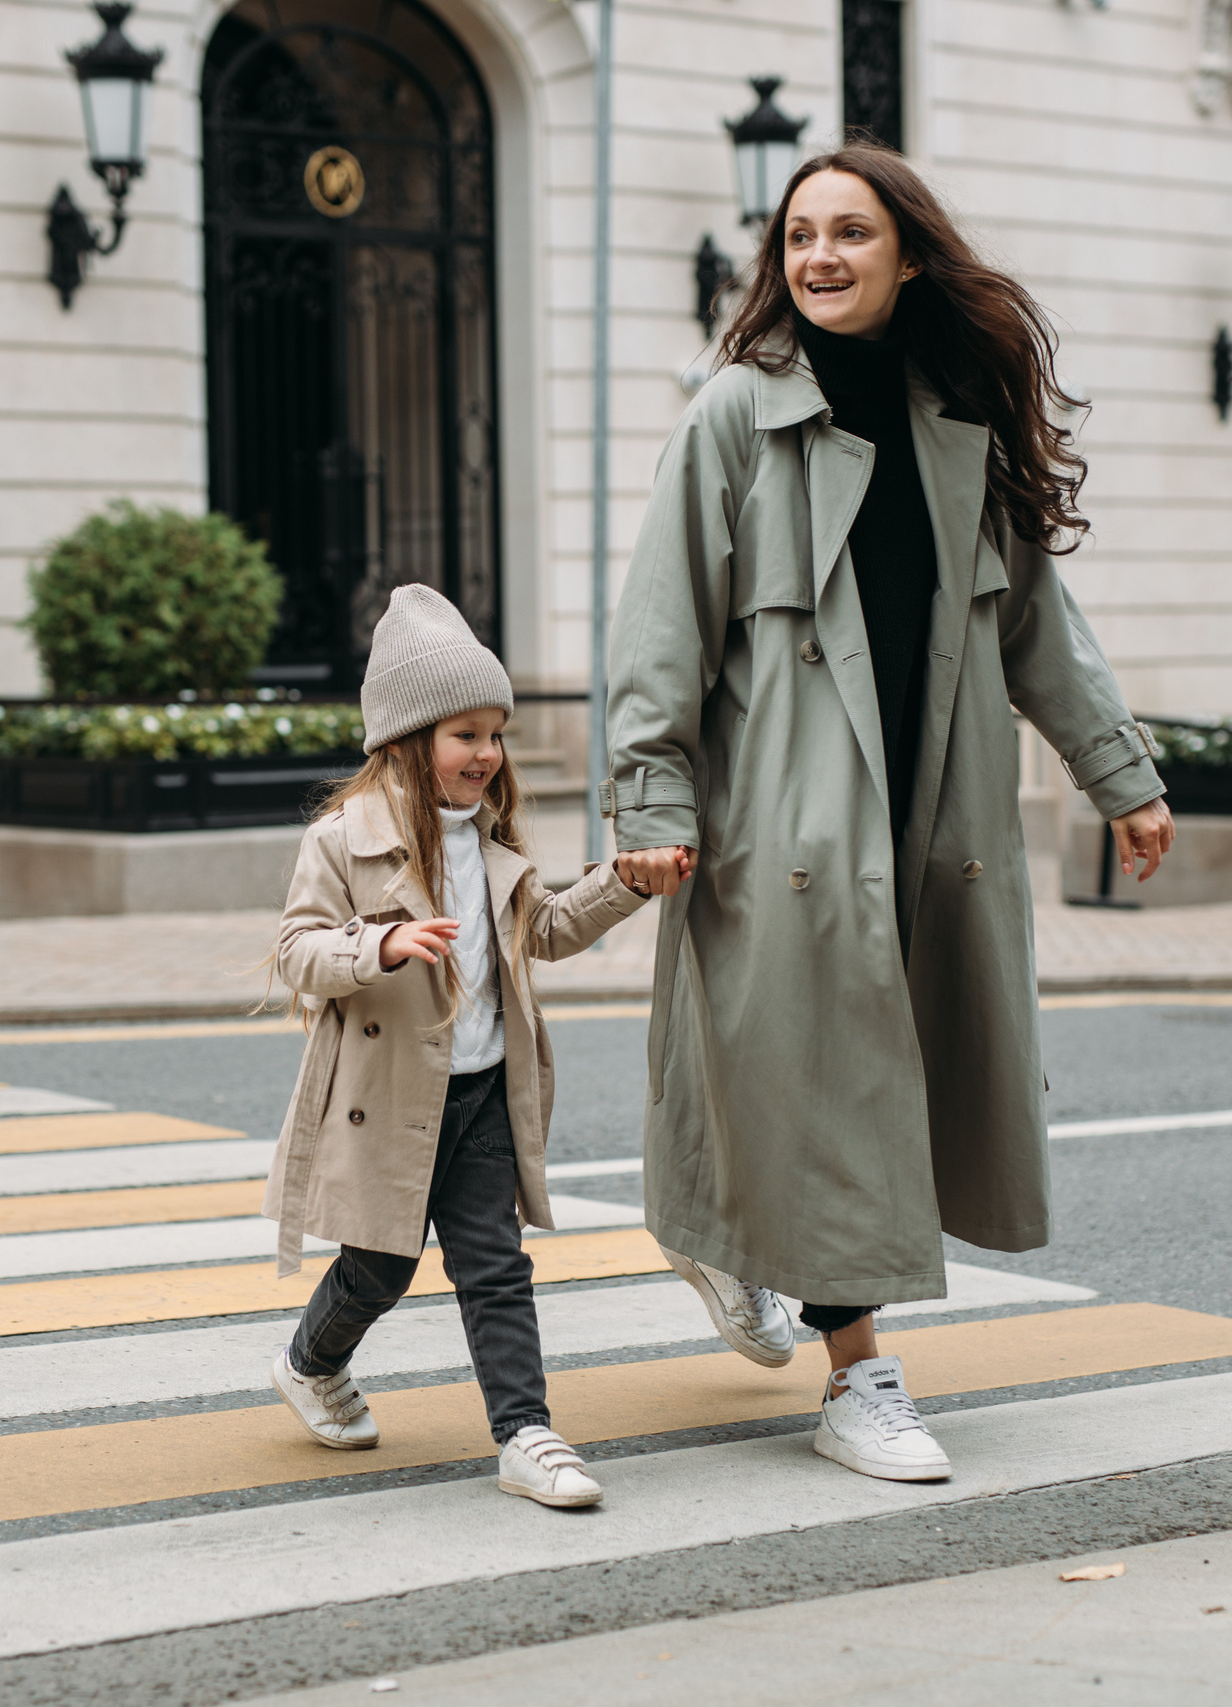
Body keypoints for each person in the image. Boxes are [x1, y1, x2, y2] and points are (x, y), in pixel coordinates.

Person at [605, 145, 1176, 1482]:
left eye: (848, 234)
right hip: (784, 829)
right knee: (834, 1091)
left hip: (940, 817)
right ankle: (859, 1374)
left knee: (868, 1085)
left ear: (907, 254)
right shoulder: (734, 417)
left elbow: (1036, 622)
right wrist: (650, 794)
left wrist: (1121, 772)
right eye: (798, 235)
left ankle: (726, 1228)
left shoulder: (955, 420)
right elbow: (660, 628)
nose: (817, 258)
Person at [263, 583, 653, 1507]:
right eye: (465, 734)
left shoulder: (493, 836)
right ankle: (310, 1362)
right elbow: (294, 952)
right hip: (391, 1096)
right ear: (408, 741)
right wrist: (379, 944)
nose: (487, 754)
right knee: (380, 1268)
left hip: (480, 1090)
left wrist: (625, 882)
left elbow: (545, 932)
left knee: (495, 1265)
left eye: (495, 733)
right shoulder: (339, 841)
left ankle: (526, 1433)